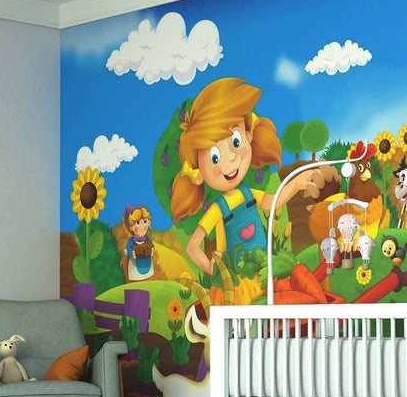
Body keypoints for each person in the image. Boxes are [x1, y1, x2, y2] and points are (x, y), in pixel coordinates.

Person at [170, 77, 325, 275]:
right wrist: (212, 269)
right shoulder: (218, 209)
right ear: (198, 173)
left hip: (263, 273)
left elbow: (271, 202)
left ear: (249, 136)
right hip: (238, 283)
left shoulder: (247, 194)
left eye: (235, 141)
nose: (231, 159)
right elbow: (192, 247)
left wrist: (295, 184)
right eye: (214, 157)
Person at [123, 203, 155, 281]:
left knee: (148, 279)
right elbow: (129, 248)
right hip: (135, 266)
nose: (142, 227)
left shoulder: (147, 240)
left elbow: (152, 245)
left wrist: (152, 250)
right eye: (137, 223)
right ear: (131, 227)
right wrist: (132, 253)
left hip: (147, 263)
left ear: (149, 223)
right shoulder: (132, 241)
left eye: (144, 222)